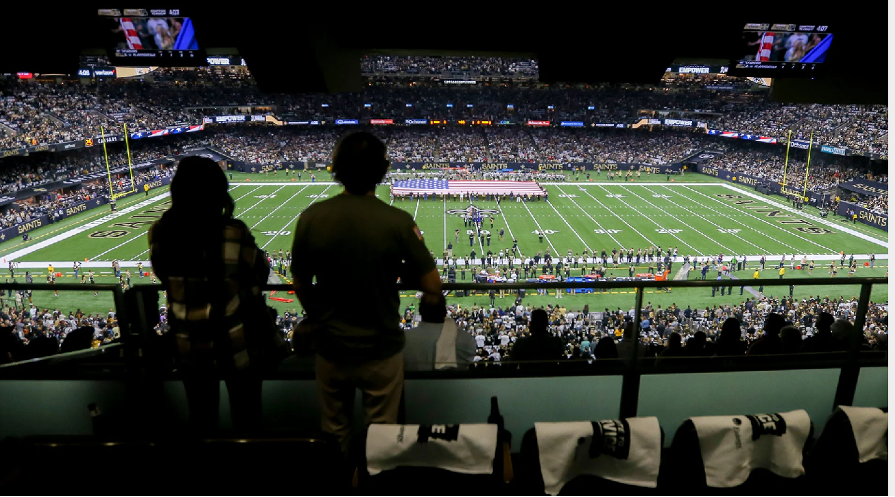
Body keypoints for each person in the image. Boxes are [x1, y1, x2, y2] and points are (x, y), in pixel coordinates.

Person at [290, 132, 441, 456]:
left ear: (337, 168)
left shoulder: (311, 218)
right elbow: (432, 285)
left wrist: (319, 318)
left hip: (331, 346)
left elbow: (300, 282)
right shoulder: (398, 221)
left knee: (334, 434)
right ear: (382, 170)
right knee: (385, 437)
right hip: (381, 345)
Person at [149, 156, 270, 436]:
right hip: (235, 340)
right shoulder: (232, 232)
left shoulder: (160, 233)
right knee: (248, 419)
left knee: (201, 421)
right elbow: (259, 273)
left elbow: (163, 275)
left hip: (188, 343)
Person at [403, 296, 476, 371]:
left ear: (420, 311)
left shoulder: (405, 339)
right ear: (444, 312)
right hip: (454, 382)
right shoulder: (465, 338)